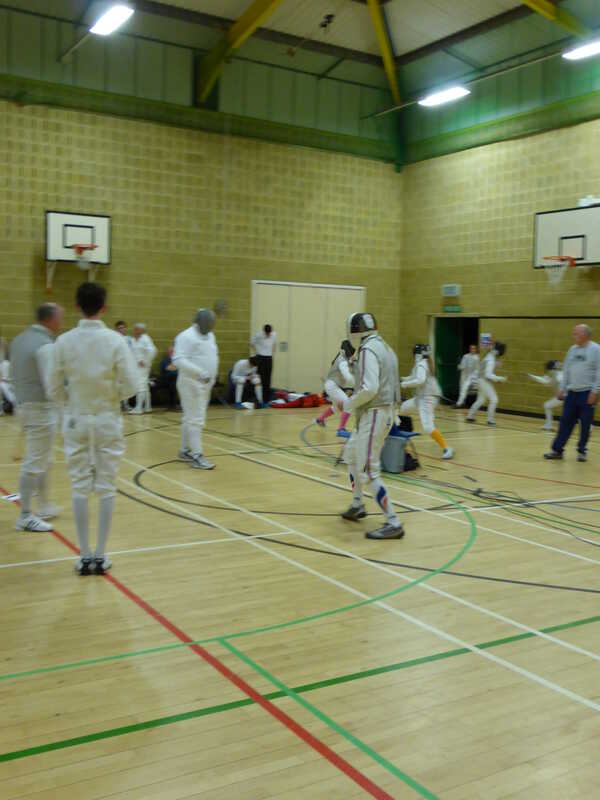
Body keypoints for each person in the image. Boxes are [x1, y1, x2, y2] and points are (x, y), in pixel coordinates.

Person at [48, 282, 138, 575]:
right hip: (106, 418)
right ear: (104, 307)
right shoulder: (115, 341)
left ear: (77, 306)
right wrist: (112, 397)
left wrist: (71, 403)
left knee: (79, 485)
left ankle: (84, 555)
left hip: (76, 419)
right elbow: (132, 385)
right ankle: (100, 554)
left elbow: (53, 386)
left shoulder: (63, 341)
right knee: (106, 486)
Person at [338, 312, 404, 540]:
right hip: (380, 412)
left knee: (369, 470)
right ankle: (358, 504)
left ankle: (393, 522)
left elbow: (370, 388)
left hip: (375, 413)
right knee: (351, 455)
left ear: (355, 331)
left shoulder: (368, 349)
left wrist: (348, 403)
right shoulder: (384, 347)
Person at [10, 303, 64, 532]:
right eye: (60, 317)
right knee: (35, 462)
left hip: (24, 405)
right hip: (41, 409)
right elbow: (52, 384)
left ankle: (44, 505)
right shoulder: (45, 345)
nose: (61, 321)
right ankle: (25, 516)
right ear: (51, 319)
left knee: (43, 459)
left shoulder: (19, 340)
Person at [544, 325, 600, 462]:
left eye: (576, 333)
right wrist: (562, 388)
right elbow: (566, 370)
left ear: (585, 334)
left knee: (585, 424)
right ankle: (557, 450)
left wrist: (595, 391)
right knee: (565, 422)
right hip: (572, 393)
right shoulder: (572, 349)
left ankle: (582, 451)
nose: (573, 336)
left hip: (587, 393)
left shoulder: (596, 349)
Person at [173, 308, 218, 470]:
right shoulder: (186, 336)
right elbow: (178, 360)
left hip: (205, 384)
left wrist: (211, 378)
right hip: (190, 383)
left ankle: (185, 450)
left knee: (189, 418)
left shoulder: (210, 336)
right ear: (199, 322)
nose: (210, 327)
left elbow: (212, 356)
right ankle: (197, 456)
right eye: (208, 323)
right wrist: (199, 372)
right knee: (195, 420)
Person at [400, 344, 454, 459]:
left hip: (428, 398)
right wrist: (402, 379)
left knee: (428, 427)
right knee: (403, 408)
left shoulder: (422, 364)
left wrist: (404, 384)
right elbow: (413, 377)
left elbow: (420, 380)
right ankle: (402, 439)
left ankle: (446, 448)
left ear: (417, 354)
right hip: (422, 397)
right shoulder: (422, 364)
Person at [315, 340, 355, 438]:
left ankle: (320, 419)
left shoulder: (341, 358)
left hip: (332, 385)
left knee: (336, 407)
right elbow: (348, 377)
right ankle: (341, 429)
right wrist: (357, 384)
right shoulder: (342, 361)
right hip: (332, 386)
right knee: (348, 404)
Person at [465, 341, 507, 426]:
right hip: (483, 381)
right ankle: (490, 420)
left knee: (481, 400)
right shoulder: (491, 359)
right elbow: (488, 374)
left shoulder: (490, 356)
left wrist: (497, 365)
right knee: (494, 400)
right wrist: (500, 378)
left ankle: (469, 416)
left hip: (480, 380)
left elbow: (487, 366)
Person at [129, 322, 157, 414]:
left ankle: (139, 408)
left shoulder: (146, 339)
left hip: (143, 367)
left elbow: (153, 351)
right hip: (135, 366)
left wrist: (145, 361)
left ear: (142, 330)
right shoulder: (133, 339)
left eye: (137, 329)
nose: (135, 331)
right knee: (144, 386)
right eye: (135, 329)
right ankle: (148, 407)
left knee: (140, 385)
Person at [528, 361, 563, 431]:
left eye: (548, 370)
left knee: (574, 412)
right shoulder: (552, 376)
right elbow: (543, 380)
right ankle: (548, 426)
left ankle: (549, 425)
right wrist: (532, 376)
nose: (547, 372)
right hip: (561, 397)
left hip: (567, 396)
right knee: (547, 405)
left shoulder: (560, 375)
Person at [251, 324, 276, 402]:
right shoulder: (259, 335)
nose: (268, 334)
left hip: (269, 358)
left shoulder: (274, 334)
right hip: (261, 357)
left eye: (269, 333)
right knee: (260, 378)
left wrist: (271, 352)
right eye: (267, 333)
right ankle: (259, 399)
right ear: (264, 332)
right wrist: (257, 352)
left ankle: (266, 399)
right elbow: (252, 343)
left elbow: (274, 343)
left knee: (268, 379)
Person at [115, 321, 134, 411]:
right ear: (116, 329)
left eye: (123, 328)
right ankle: (117, 404)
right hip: (117, 365)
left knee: (126, 385)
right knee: (117, 385)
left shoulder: (129, 339)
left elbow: (132, 351)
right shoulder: (114, 338)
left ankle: (126, 404)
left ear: (126, 328)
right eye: (119, 328)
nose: (121, 330)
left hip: (126, 365)